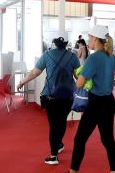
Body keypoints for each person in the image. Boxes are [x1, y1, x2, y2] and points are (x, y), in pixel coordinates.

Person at [52, 25, 115, 173]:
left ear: (95, 39)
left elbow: (80, 82)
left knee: (80, 139)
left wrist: (79, 74)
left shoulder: (94, 59)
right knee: (108, 140)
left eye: (90, 38)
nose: (88, 41)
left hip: (96, 104)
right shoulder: (110, 56)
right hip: (109, 102)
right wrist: (111, 84)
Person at [17, 37, 80, 165]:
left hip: (51, 95)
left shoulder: (47, 55)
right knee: (61, 121)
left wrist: (22, 82)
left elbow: (35, 72)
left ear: (54, 44)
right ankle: (59, 144)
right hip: (68, 95)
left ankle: (53, 155)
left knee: (54, 124)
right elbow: (78, 76)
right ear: (65, 44)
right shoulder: (73, 56)